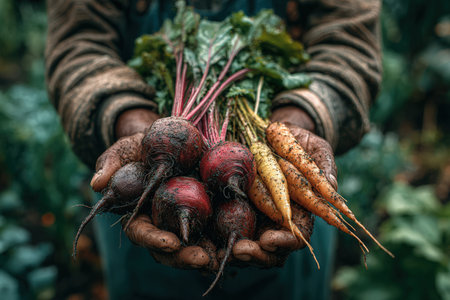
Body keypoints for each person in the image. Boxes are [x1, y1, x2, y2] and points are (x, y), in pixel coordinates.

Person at [45, 0, 382, 299]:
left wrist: (302, 117)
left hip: (282, 216)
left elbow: (348, 43)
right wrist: (132, 123)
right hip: (146, 205)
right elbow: (80, 44)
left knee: (288, 226)